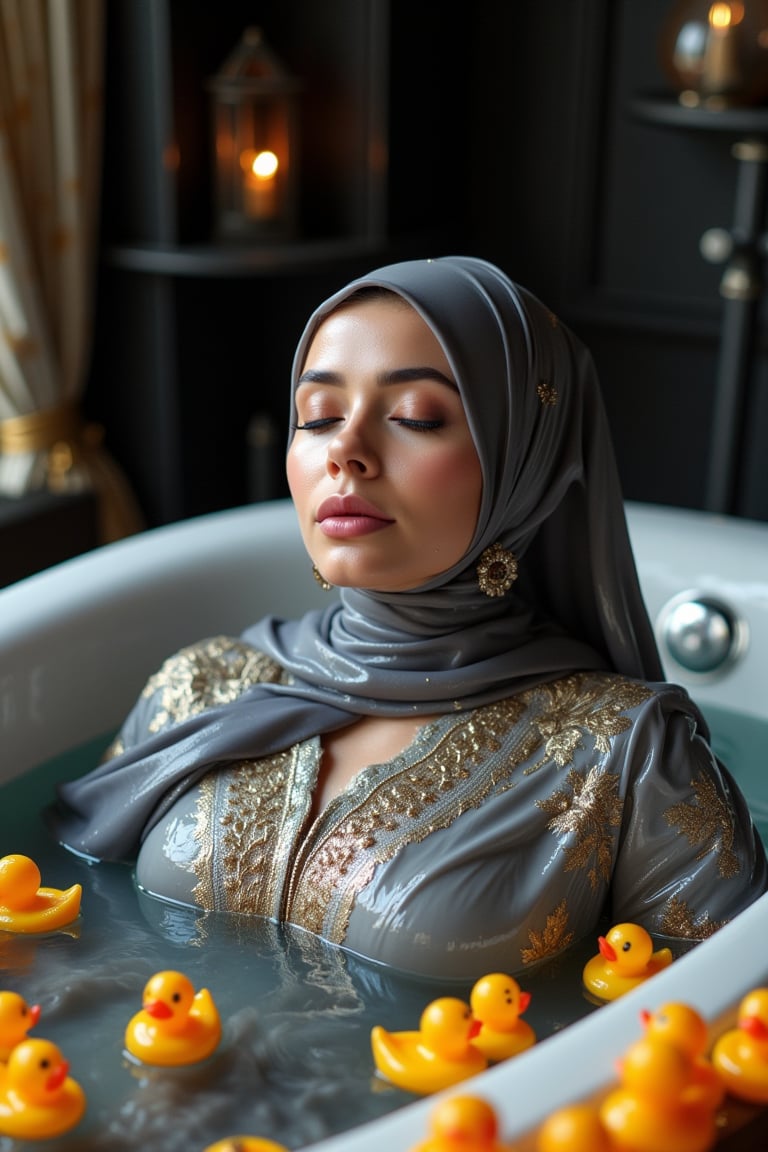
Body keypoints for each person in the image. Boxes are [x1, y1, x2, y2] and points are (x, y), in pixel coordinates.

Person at [51, 256, 767, 980]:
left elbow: (726, 1023)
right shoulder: (203, 681)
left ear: (525, 466)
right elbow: (71, 920)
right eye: (320, 415)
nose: (346, 452)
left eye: (415, 418)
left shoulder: (627, 753)